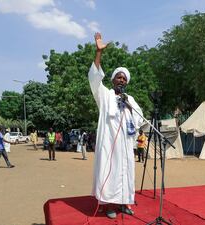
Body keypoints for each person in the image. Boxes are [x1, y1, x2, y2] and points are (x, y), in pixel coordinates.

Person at [88, 32, 143, 219]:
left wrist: (132, 117)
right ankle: (108, 205)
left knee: (126, 173)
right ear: (113, 80)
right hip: (110, 144)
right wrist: (98, 52)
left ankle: (124, 203)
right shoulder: (105, 95)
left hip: (126, 145)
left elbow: (139, 118)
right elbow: (94, 80)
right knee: (110, 173)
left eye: (124, 78)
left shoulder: (130, 99)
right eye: (118, 77)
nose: (121, 80)